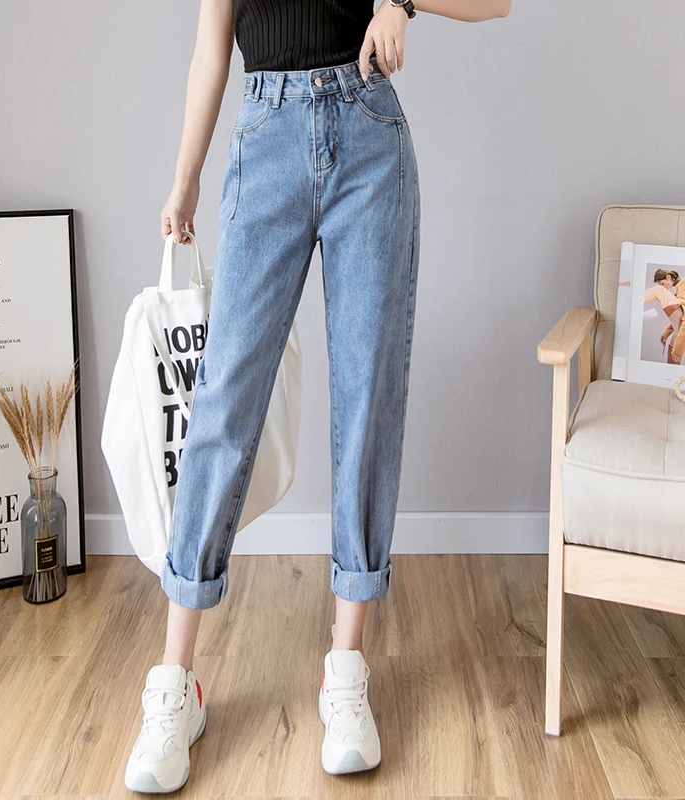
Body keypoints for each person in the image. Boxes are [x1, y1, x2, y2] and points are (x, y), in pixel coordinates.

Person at [125, 0, 511, 793]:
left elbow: (496, 1)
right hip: (264, 137)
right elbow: (210, 51)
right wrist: (184, 179)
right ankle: (174, 686)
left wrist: (402, 2)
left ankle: (346, 671)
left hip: (369, 134)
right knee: (222, 408)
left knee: (368, 400)